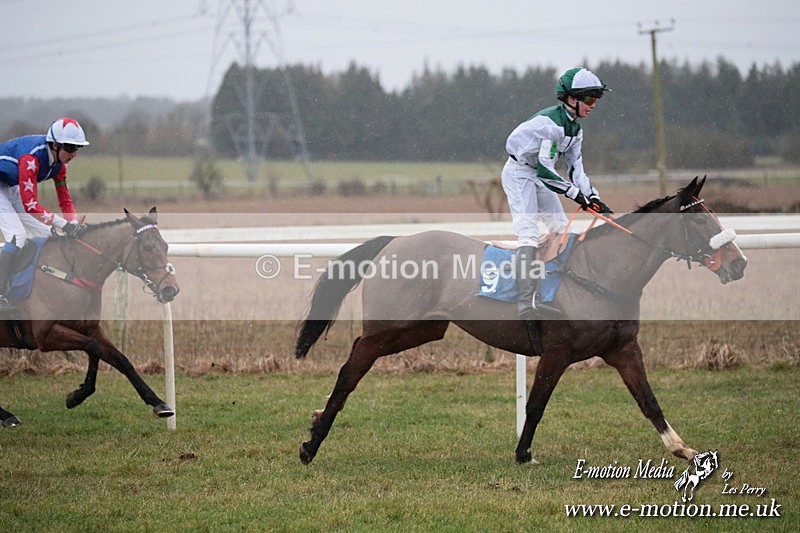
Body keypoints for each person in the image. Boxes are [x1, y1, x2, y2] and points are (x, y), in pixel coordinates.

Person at [501, 67, 612, 332]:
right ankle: (525, 302)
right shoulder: (550, 126)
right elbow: (546, 171)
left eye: (596, 99)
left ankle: (555, 292)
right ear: (571, 99)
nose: (593, 105)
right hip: (519, 173)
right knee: (528, 234)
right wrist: (577, 196)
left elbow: (576, 170)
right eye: (589, 99)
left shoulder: (575, 129)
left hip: (538, 174)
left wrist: (594, 197)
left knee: (561, 232)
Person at [0, 117, 89, 310]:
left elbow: (65, 199)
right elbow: (31, 205)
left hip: (8, 184)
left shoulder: (59, 165)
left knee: (48, 233)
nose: (74, 153)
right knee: (17, 236)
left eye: (77, 148)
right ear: (55, 145)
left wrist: (72, 222)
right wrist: (64, 224)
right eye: (70, 147)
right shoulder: (30, 159)